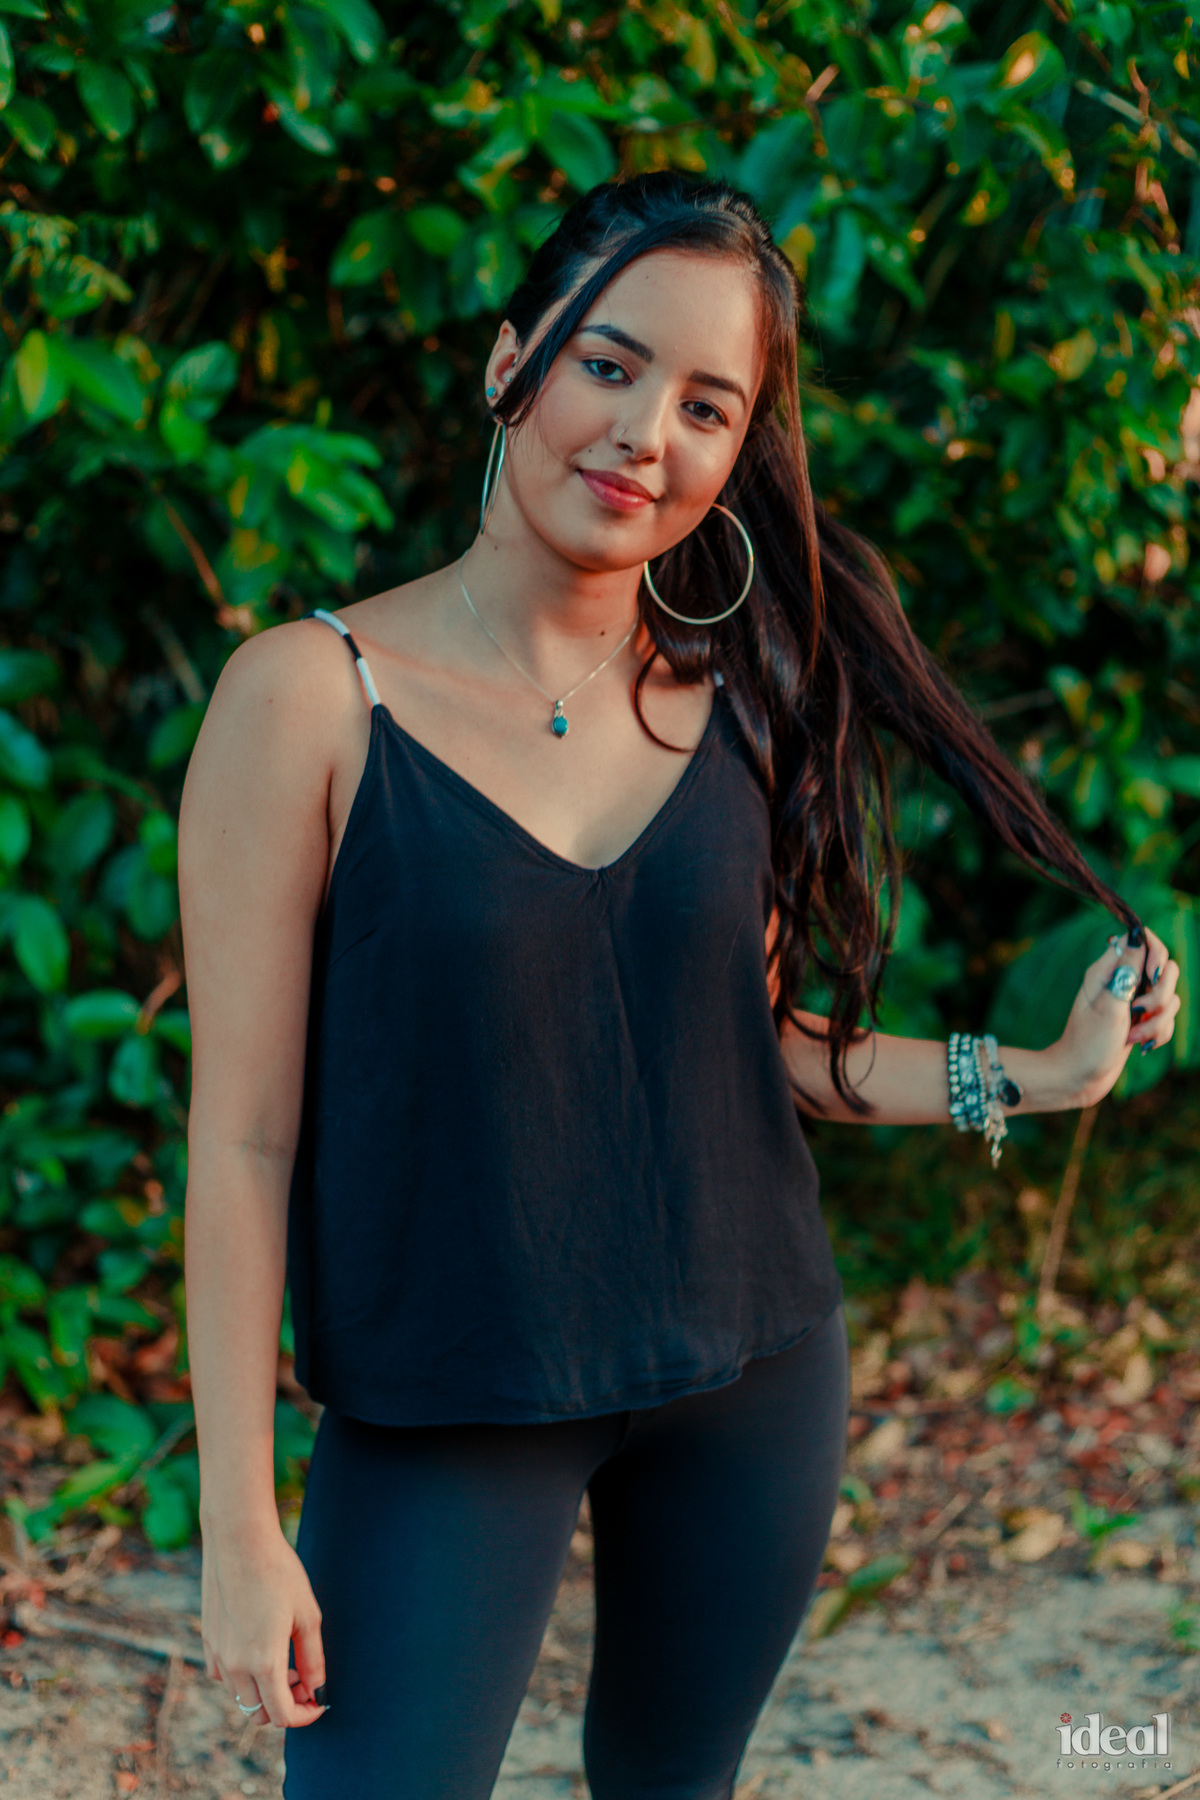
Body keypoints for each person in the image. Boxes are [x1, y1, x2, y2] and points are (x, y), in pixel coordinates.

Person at [178, 173, 1180, 1800]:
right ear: (510, 364)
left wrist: (1034, 1073)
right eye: (610, 365)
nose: (647, 434)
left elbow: (762, 1045)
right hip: (450, 1401)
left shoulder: (740, 689)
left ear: (735, 453)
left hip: (752, 1376)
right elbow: (242, 1141)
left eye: (710, 405)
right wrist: (238, 1523)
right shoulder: (307, 700)